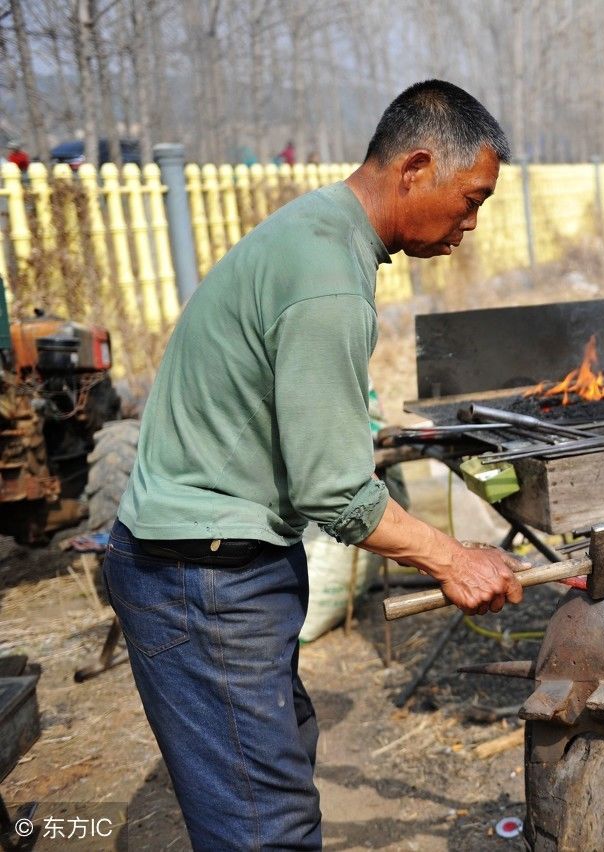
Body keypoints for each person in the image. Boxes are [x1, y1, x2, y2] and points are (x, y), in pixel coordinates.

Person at [102, 80, 527, 849]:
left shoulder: (318, 234)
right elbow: (335, 494)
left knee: (278, 770)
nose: (471, 222)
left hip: (213, 561)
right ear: (416, 167)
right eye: (471, 199)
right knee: (264, 830)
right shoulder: (330, 275)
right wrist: (451, 557)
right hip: (200, 576)